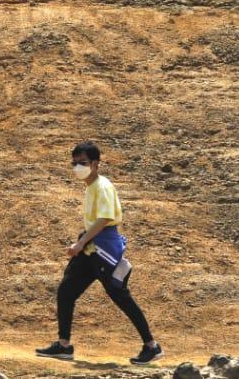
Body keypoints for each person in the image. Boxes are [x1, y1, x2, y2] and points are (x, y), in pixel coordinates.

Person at [36, 141, 162, 365]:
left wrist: (81, 242)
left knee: (120, 296)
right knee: (66, 291)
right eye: (74, 163)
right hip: (91, 249)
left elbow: (104, 220)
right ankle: (64, 345)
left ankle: (151, 346)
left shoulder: (101, 186)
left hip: (101, 248)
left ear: (95, 164)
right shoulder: (91, 186)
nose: (77, 167)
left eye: (82, 163)